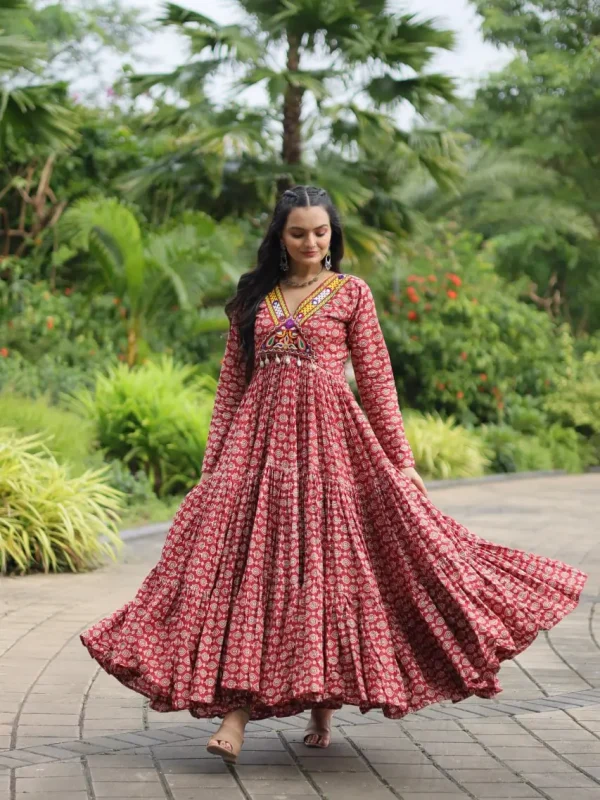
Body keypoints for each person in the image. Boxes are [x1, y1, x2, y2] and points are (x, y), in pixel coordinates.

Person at [80, 185, 587, 765]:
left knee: (331, 568)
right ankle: (236, 714)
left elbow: (376, 380)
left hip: (333, 450)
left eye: (321, 232)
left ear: (332, 235)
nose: (311, 243)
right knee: (255, 572)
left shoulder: (351, 294)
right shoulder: (254, 300)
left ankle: (321, 703)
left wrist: (402, 462)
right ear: (280, 236)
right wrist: (213, 466)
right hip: (259, 452)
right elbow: (230, 388)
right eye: (299, 233)